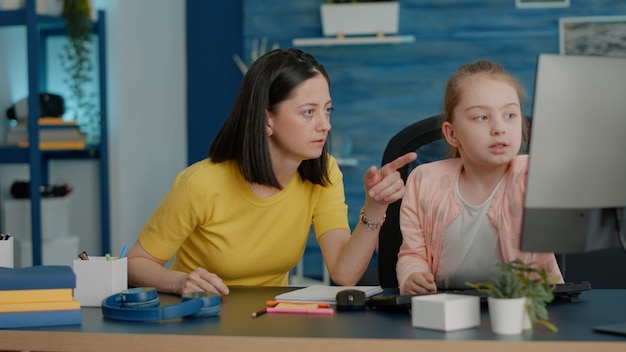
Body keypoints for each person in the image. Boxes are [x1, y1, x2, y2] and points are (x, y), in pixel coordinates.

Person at [126, 48, 417, 296]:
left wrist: (375, 207)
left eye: (327, 110)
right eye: (308, 112)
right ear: (267, 120)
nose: (324, 125)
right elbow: (134, 263)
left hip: (272, 321)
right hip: (201, 317)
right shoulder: (200, 183)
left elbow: (344, 274)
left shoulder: (323, 173)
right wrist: (179, 281)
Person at [396, 60, 563, 296]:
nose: (499, 128)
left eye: (510, 115)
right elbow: (413, 254)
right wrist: (411, 276)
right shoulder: (423, 181)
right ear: (452, 134)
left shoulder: (534, 175)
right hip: (446, 309)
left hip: (527, 308)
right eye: (481, 118)